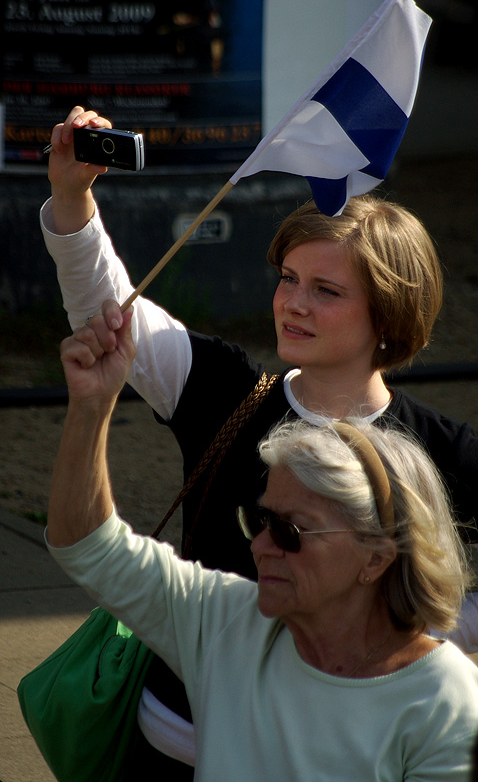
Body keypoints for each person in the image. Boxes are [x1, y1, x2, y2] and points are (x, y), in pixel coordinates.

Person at [41, 106, 478, 772]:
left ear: (390, 314)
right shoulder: (227, 389)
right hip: (168, 742)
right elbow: (110, 313)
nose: (292, 303)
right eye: (287, 278)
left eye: (326, 290)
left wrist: (405, 640)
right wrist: (73, 197)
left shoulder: (444, 453)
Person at [45, 314, 478, 781]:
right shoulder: (226, 621)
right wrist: (90, 406)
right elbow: (89, 545)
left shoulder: (444, 701)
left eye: (292, 532)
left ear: (375, 557)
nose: (260, 546)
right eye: (258, 520)